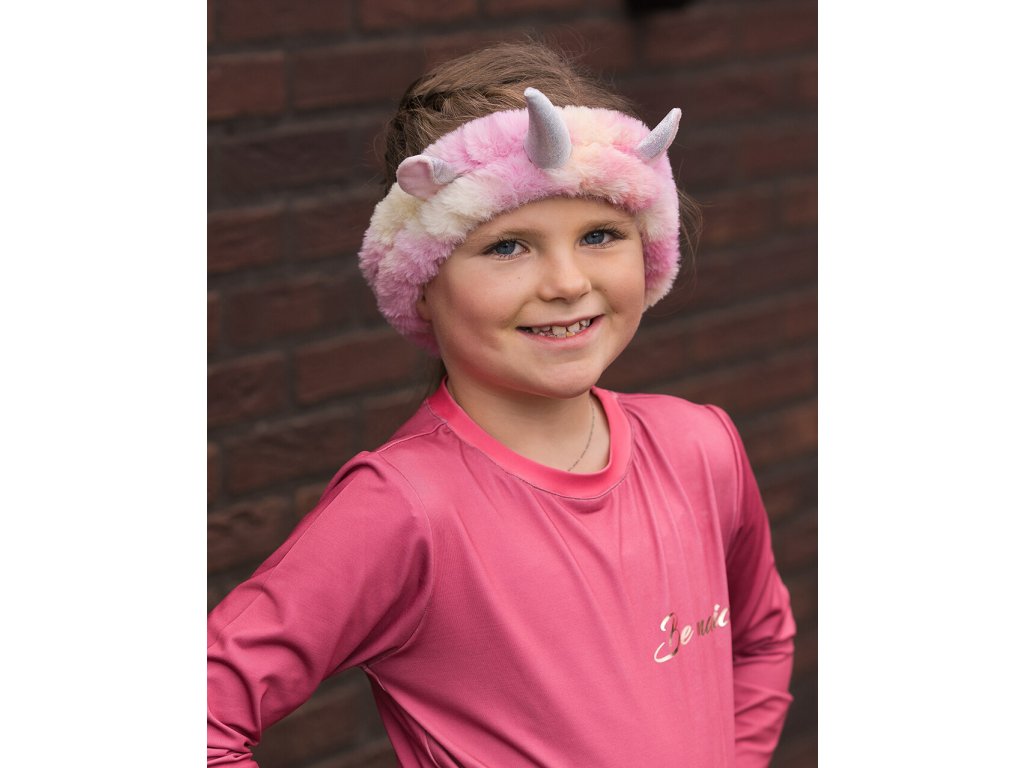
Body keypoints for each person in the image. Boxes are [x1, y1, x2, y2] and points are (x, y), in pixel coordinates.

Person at [207, 42, 795, 768]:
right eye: (509, 246)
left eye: (600, 235)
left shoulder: (700, 445)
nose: (567, 282)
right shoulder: (402, 507)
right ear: (423, 282)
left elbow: (761, 639)